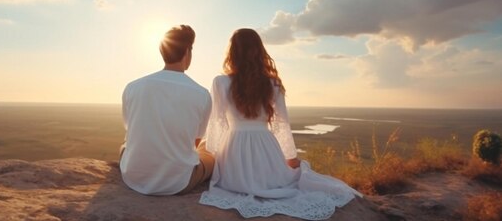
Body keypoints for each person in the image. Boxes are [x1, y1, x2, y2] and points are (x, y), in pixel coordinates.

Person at [199, 28, 361, 219]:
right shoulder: (273, 84)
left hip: (234, 150)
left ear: (232, 52)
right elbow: (281, 124)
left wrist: (215, 156)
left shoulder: (220, 82)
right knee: (284, 181)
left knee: (223, 173)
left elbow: (217, 123)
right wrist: (290, 159)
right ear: (259, 51)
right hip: (266, 147)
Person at [120, 24, 214, 195]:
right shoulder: (201, 93)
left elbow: (130, 129)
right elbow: (195, 142)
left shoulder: (133, 87)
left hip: (133, 177)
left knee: (124, 146)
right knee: (209, 152)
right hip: (178, 182)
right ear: (187, 52)